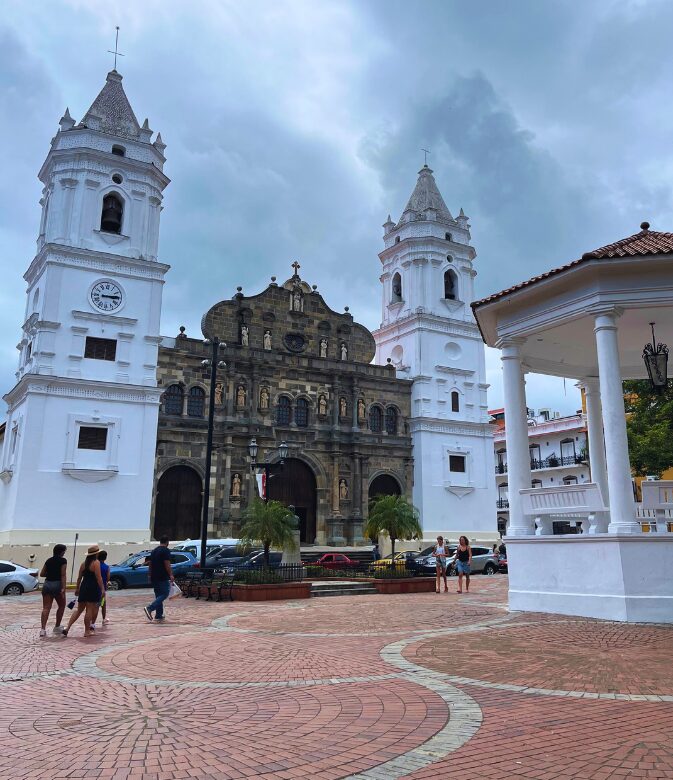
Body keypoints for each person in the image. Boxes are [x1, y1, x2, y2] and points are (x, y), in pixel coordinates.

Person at [63, 545, 104, 637]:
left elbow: (79, 578)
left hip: (83, 586)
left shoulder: (83, 564)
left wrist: (77, 588)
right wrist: (102, 589)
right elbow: (99, 578)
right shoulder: (96, 563)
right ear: (96, 554)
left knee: (79, 610)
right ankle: (87, 631)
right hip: (92, 587)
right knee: (89, 609)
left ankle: (67, 627)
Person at [39, 544, 68, 637]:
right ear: (62, 552)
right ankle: (57, 626)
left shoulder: (49, 560)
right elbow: (63, 574)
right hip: (57, 584)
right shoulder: (63, 560)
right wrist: (63, 588)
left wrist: (50, 573)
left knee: (46, 608)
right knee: (62, 605)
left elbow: (42, 574)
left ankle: (43, 629)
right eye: (64, 551)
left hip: (47, 584)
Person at [144, 536, 174, 622]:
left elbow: (150, 564)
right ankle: (150, 608)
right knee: (165, 593)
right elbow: (167, 563)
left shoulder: (154, 551)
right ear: (167, 542)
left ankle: (159, 615)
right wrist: (171, 574)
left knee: (158, 595)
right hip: (162, 575)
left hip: (154, 576)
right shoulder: (165, 551)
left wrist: (149, 575)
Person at [96, 550, 110, 626]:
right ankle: (103, 619)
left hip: (95, 587)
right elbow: (108, 578)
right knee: (102, 604)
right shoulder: (106, 567)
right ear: (105, 558)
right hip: (102, 589)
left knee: (94, 604)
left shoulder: (95, 566)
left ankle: (92, 620)